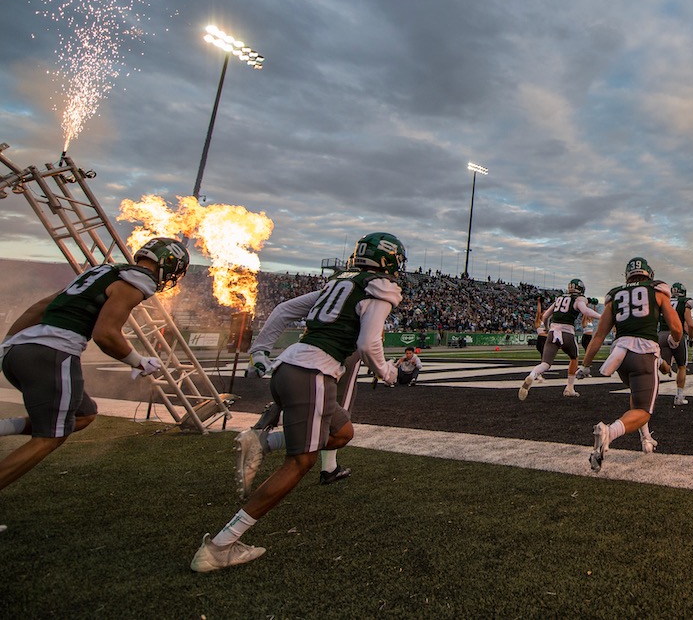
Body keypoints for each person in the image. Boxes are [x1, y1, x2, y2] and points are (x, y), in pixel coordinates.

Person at [192, 232, 405, 573]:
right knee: (300, 462)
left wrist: (259, 349)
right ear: (389, 261)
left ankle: (264, 440)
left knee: (342, 432)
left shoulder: (340, 283)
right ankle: (221, 545)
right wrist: (388, 373)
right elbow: (367, 342)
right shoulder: (378, 287)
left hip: (288, 368)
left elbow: (283, 310)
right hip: (314, 374)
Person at [0, 238, 189, 497]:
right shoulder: (137, 280)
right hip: (53, 353)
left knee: (83, 415)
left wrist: (8, 344)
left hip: (20, 351)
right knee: (50, 437)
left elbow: (42, 306)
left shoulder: (101, 272)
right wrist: (139, 361)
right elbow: (106, 335)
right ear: (168, 263)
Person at [580, 257, 682, 470]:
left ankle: (646, 439)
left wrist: (586, 365)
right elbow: (677, 328)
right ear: (648, 274)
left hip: (620, 357)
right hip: (643, 353)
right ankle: (609, 433)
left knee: (636, 399)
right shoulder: (657, 292)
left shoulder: (615, 296)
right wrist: (674, 341)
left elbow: (599, 335)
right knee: (644, 410)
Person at [522, 278, 600, 400]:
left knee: (545, 363)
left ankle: (532, 375)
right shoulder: (578, 299)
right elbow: (585, 310)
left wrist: (547, 328)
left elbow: (546, 315)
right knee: (574, 358)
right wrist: (602, 317)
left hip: (553, 332)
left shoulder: (559, 298)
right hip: (567, 332)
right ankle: (569, 388)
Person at [658, 282, 693, 406]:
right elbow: (690, 324)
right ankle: (679, 396)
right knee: (681, 366)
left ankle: (659, 362)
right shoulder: (685, 302)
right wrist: (690, 338)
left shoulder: (664, 299)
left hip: (662, 334)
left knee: (665, 368)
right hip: (677, 334)